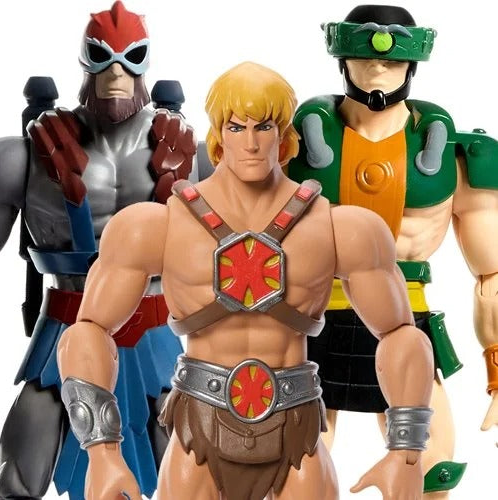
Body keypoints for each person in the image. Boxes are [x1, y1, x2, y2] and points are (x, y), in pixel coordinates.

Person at [57, 61, 434, 500]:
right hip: (200, 425)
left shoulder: (342, 229)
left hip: (295, 426)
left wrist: (406, 452)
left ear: (285, 136)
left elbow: (401, 334)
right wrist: (102, 453)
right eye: (237, 127)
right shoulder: (156, 226)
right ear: (218, 136)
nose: (251, 143)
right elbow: (87, 332)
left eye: (264, 127)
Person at [288, 4, 498, 496]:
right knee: (293, 470)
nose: (378, 68)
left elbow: (491, 275)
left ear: (412, 62)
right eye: (366, 58)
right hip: (317, 319)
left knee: (431, 469)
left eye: (391, 59)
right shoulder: (289, 148)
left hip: (406, 320)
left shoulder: (454, 158)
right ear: (342, 58)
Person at [0, 2, 195, 498]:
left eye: (131, 58)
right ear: (85, 60)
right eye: (102, 57)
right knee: (21, 469)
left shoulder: (193, 156)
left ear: (146, 63)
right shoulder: (22, 155)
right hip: (66, 323)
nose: (116, 73)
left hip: (155, 327)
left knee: (192, 470)